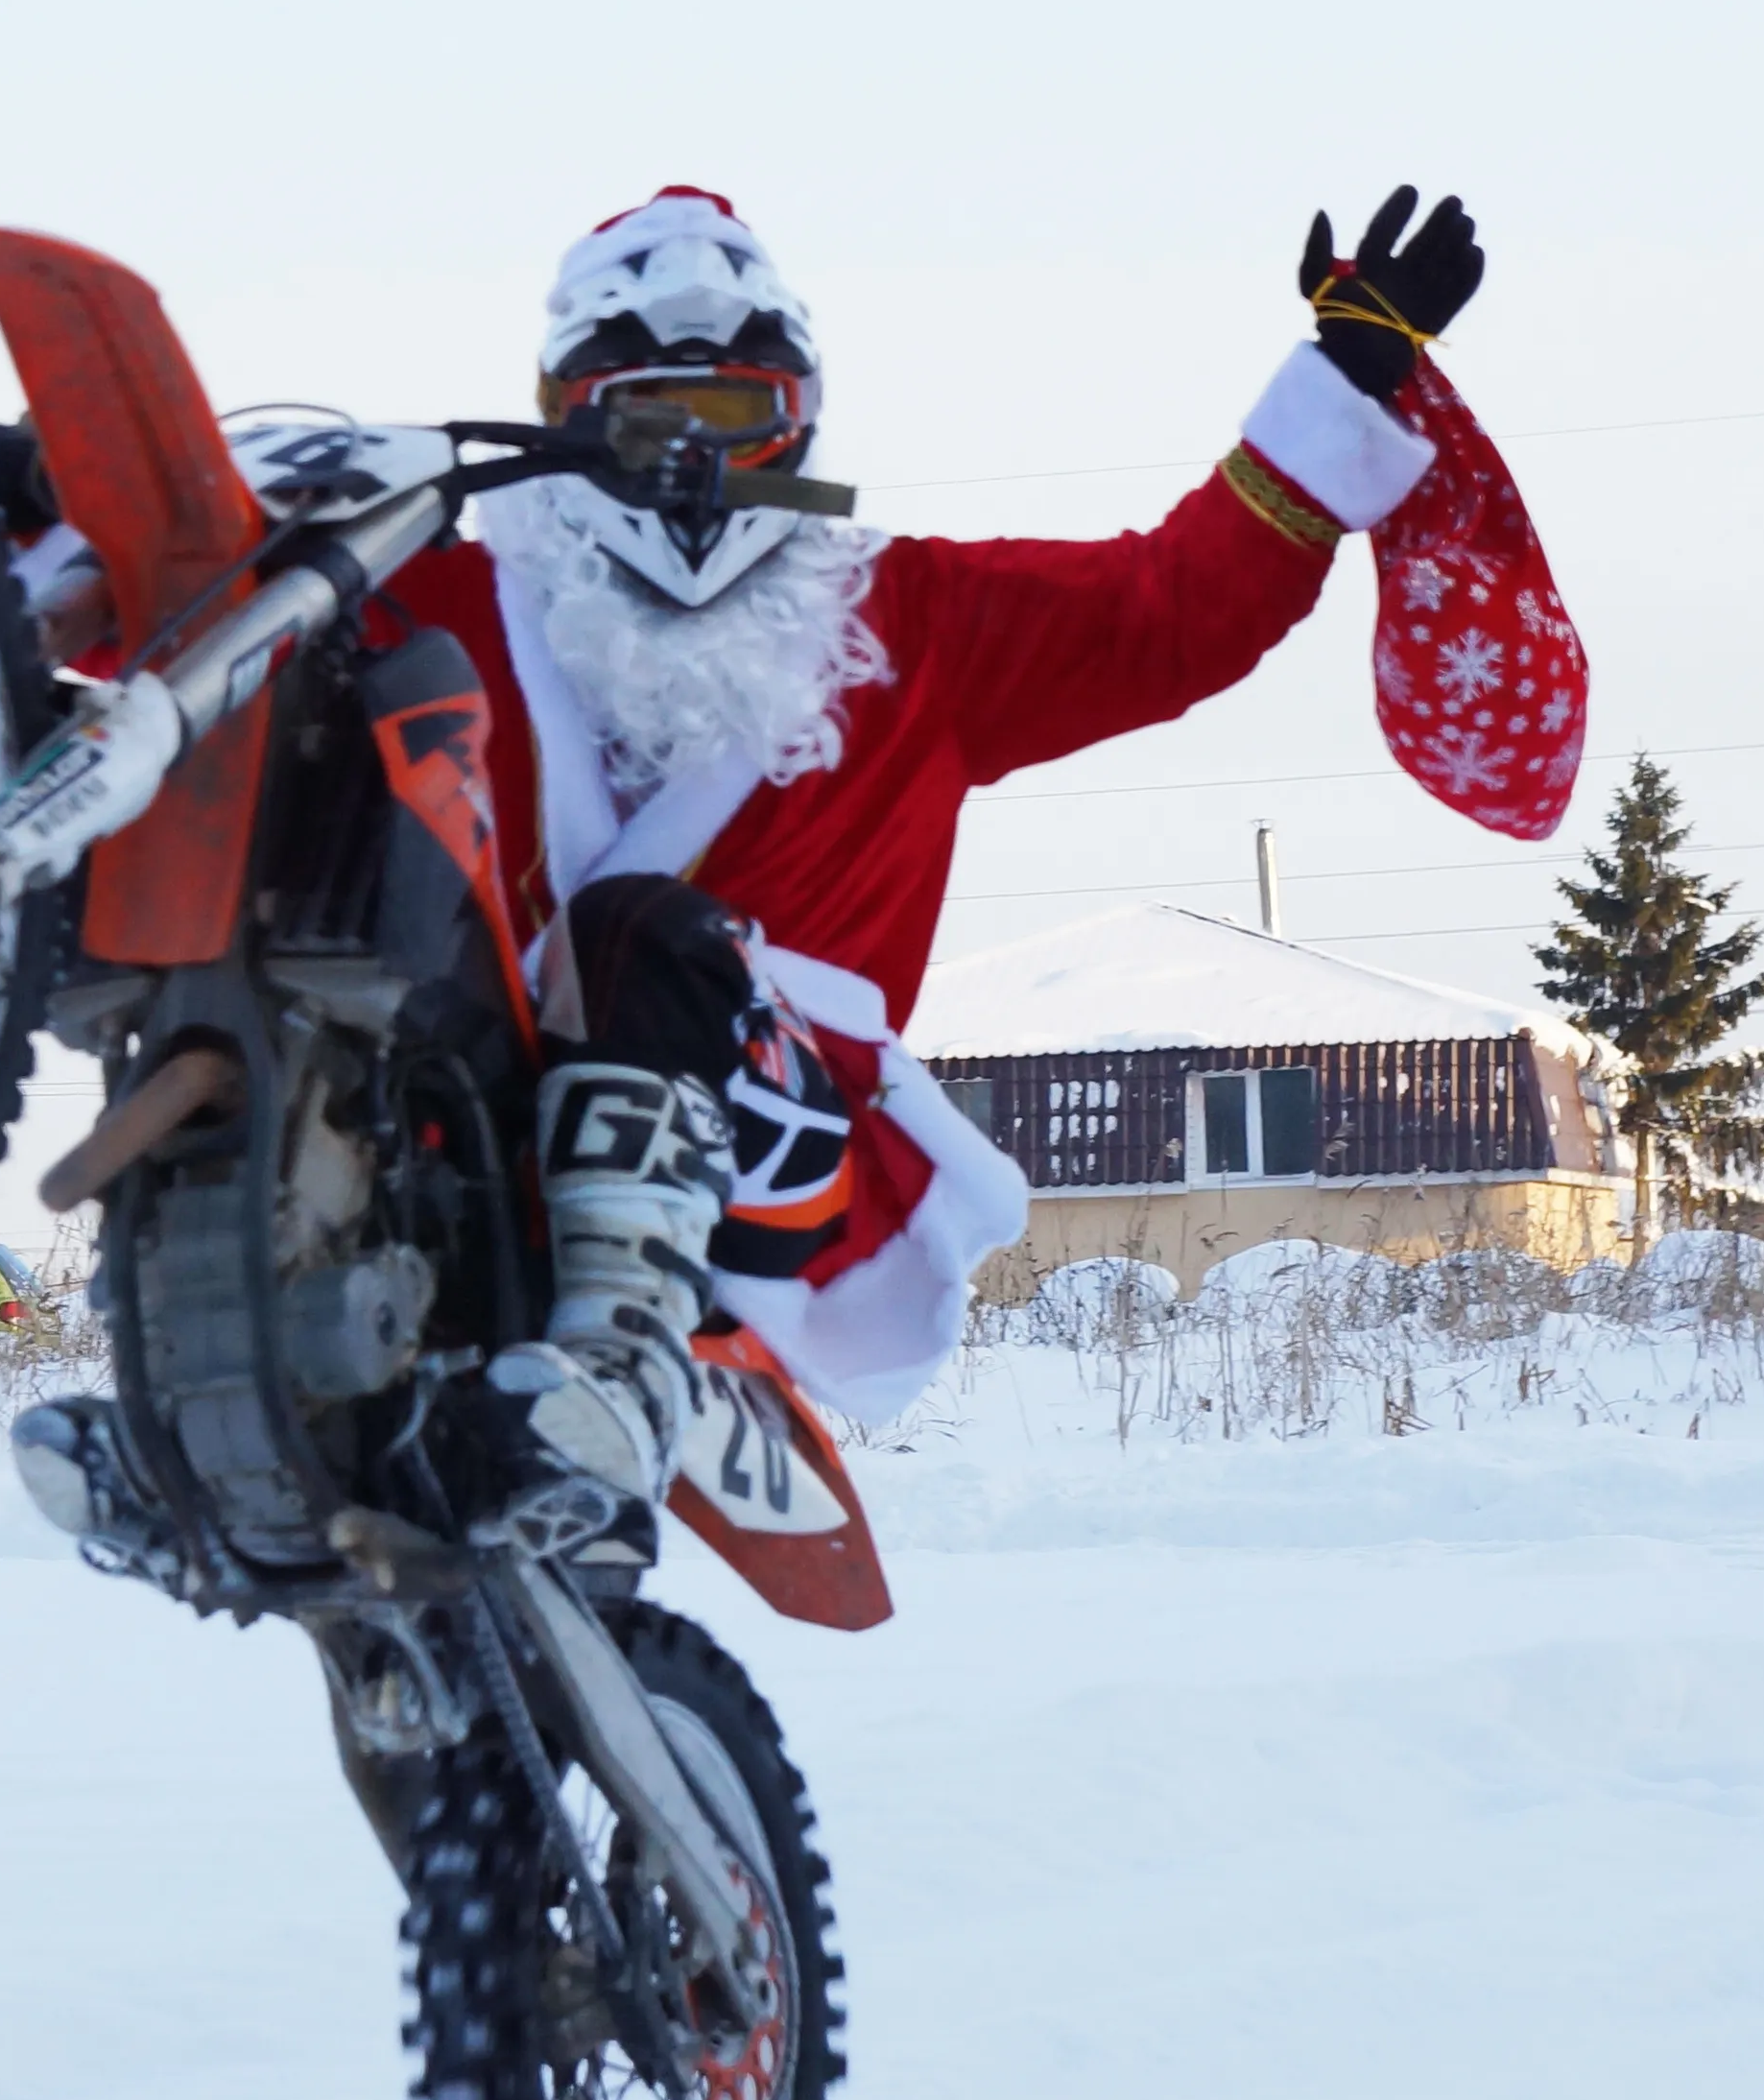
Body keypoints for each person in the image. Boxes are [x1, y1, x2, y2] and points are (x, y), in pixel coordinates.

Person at [344, 181, 1501, 1549]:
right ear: (568, 410)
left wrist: (1345, 376)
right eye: (652, 417)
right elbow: (180, 643)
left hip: (767, 1151)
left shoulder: (915, 619)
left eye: (733, 417)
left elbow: (1168, 615)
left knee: (643, 938)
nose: (691, 462)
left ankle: (617, 1365)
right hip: (454, 1123)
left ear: (796, 413)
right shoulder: (442, 596)